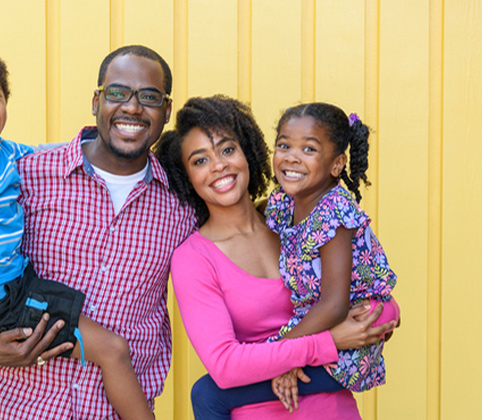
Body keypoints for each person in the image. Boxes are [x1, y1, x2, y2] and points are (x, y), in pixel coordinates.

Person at [0, 40, 153, 420]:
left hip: (16, 285)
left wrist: (98, 140)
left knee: (102, 341)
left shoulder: (2, 153)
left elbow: (46, 153)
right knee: (111, 349)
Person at [0, 45, 194, 420]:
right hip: (25, 409)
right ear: (96, 101)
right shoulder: (28, 175)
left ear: (166, 112)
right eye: (118, 93)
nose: (133, 107)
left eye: (149, 97)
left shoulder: (183, 204)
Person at [155, 96, 399, 419]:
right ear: (186, 176)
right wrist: (327, 342)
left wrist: (384, 313)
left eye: (227, 150)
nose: (218, 166)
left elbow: (372, 303)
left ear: (248, 153)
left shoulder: (287, 220)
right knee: (206, 393)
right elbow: (226, 366)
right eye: (200, 161)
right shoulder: (194, 258)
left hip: (334, 410)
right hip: (259, 411)